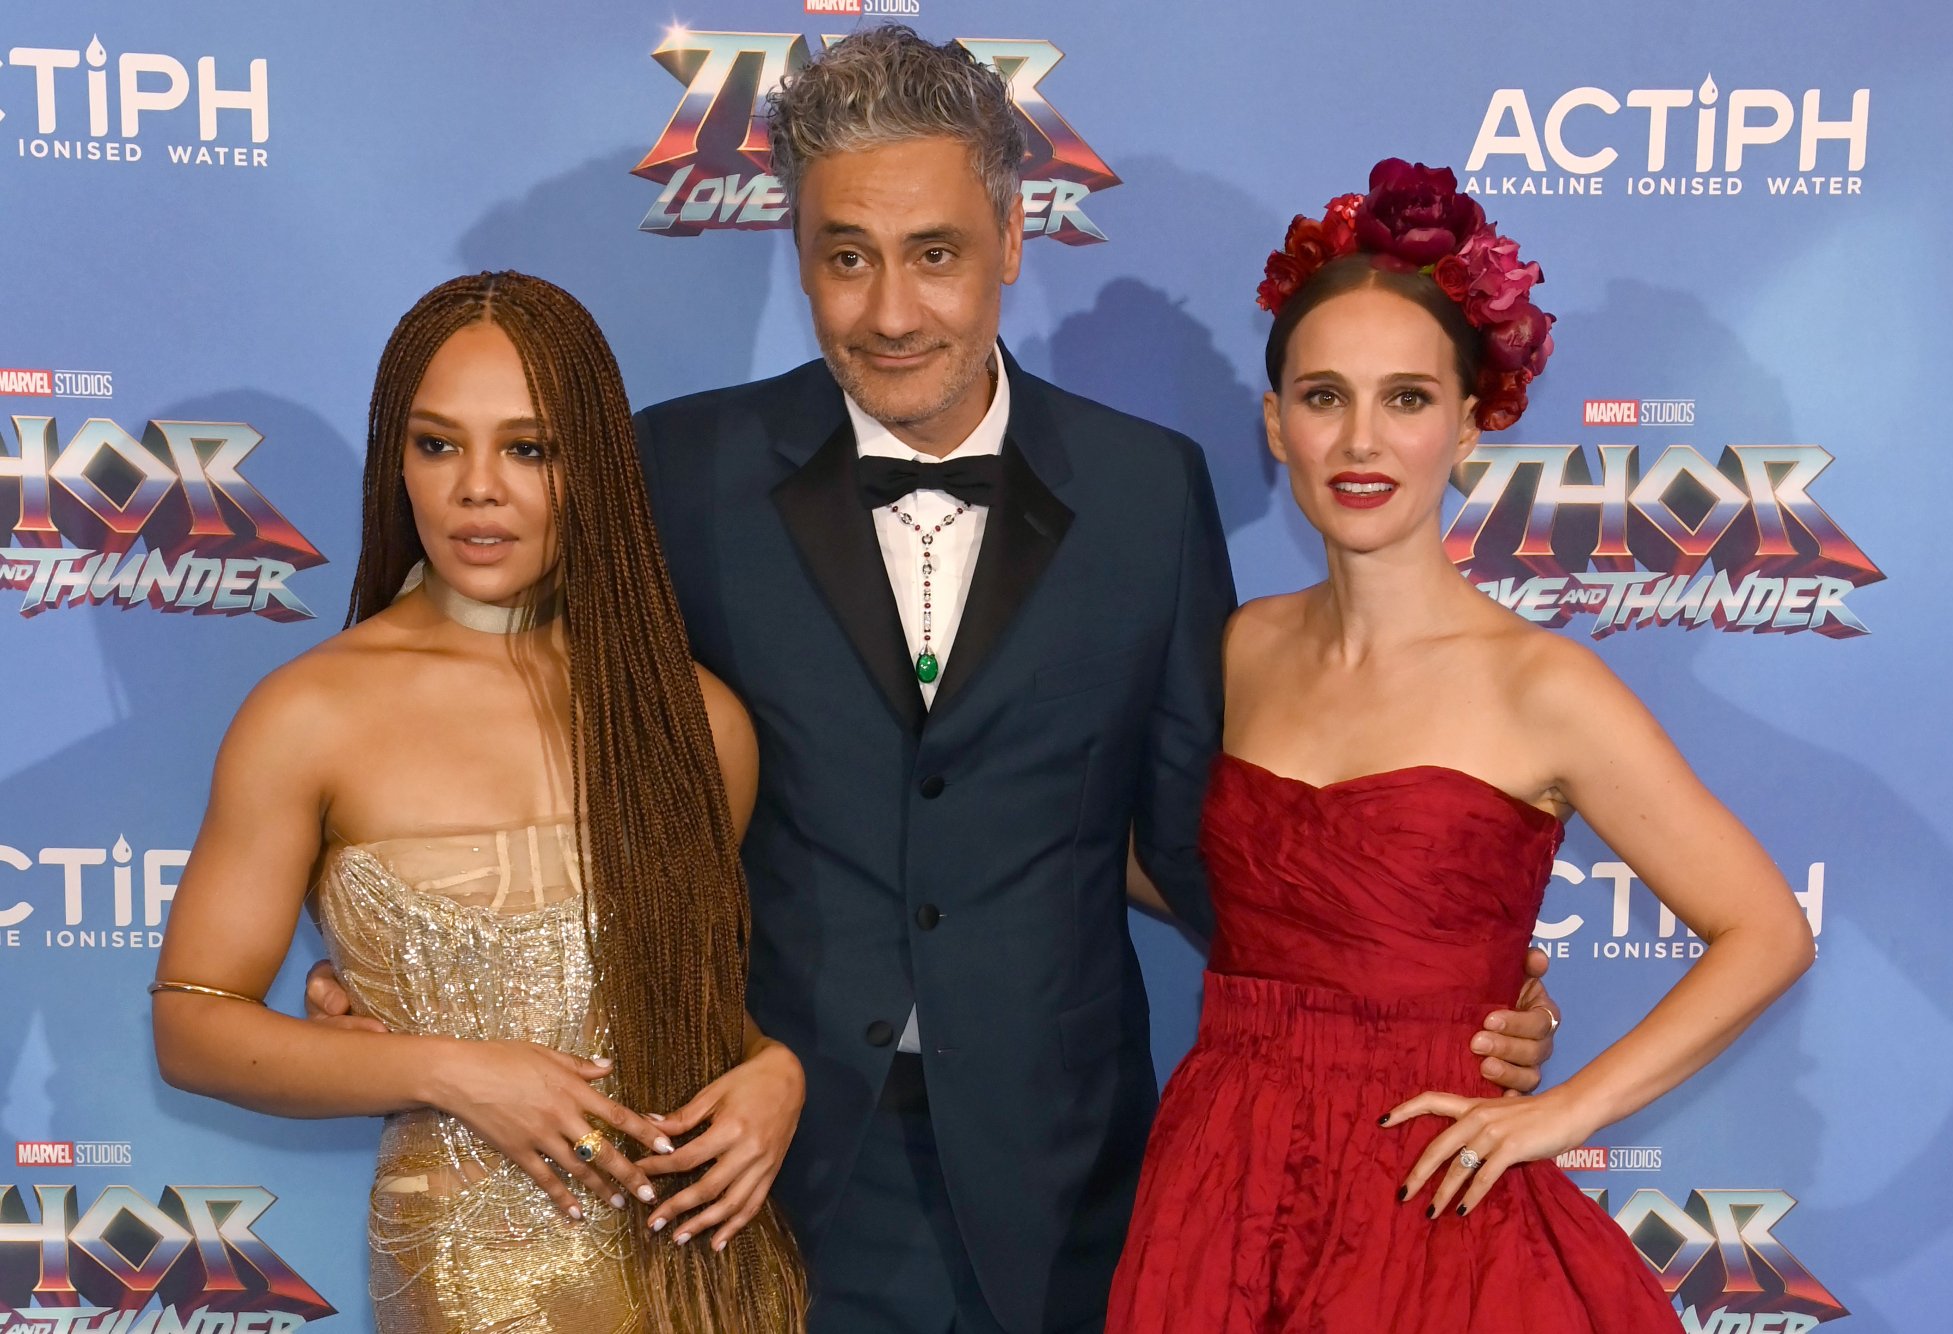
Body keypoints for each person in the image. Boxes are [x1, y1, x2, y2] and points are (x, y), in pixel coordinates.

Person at [311, 30, 1562, 1333]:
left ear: (1011, 238)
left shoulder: (1145, 490)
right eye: (846, 256)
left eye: (935, 254)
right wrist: (396, 953)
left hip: (1065, 1176)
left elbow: (1195, 836)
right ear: (796, 249)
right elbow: (504, 703)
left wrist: (1426, 991)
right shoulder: (679, 470)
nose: (892, 312)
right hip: (754, 1163)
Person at [1105, 161, 1818, 1331]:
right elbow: (1178, 865)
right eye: (1323, 395)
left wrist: (1562, 1108)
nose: (1360, 439)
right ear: (1275, 423)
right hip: (1220, 1177)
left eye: (1406, 397)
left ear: (1469, 423)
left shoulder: (1543, 686)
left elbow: (1765, 930)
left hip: (1430, 1190)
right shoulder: (1234, 647)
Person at [151, 272, 810, 1333]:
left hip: (702, 1275)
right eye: (438, 444)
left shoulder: (695, 720)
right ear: (397, 461)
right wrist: (449, 1070)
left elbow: (675, 999)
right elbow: (192, 1026)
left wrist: (772, 1070)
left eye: (529, 447)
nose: (478, 489)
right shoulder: (308, 714)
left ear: (592, 465)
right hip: (469, 1286)